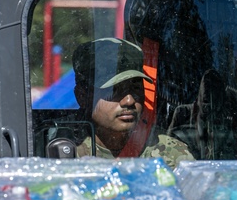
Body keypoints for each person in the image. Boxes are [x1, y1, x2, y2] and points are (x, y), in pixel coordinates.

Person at [72, 37, 194, 168]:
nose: (129, 101)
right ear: (82, 97)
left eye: (136, 88)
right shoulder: (61, 153)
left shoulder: (171, 154)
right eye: (114, 90)